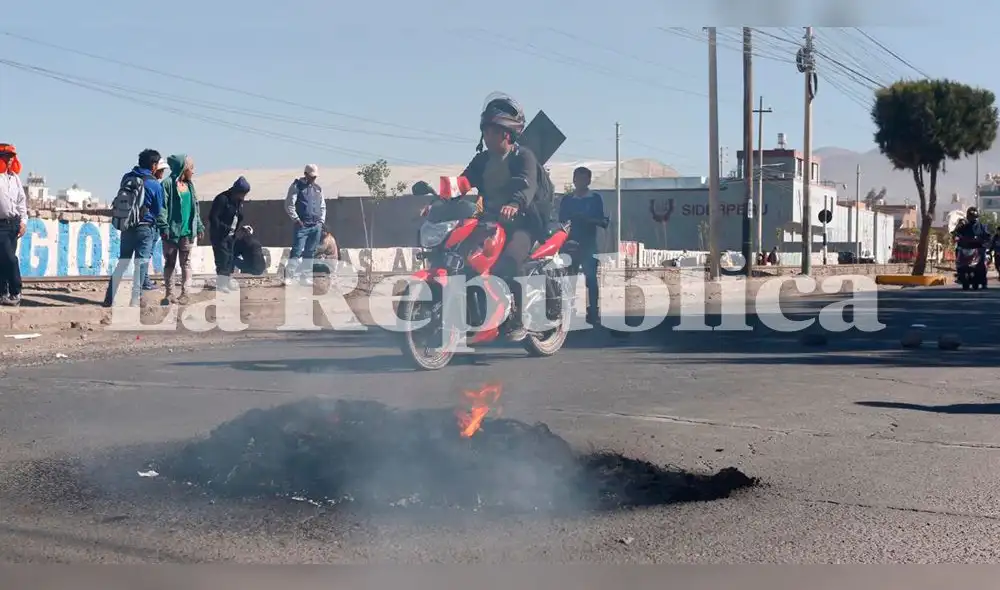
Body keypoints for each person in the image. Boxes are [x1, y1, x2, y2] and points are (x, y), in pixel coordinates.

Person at [459, 94, 550, 340]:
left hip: (523, 222)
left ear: (507, 134)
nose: (487, 137)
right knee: (465, 258)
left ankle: (518, 318)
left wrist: (514, 203)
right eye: (485, 132)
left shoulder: (523, 156)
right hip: (490, 223)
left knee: (509, 261)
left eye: (493, 132)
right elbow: (464, 181)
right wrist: (441, 199)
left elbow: (526, 185)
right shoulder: (482, 160)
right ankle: (474, 315)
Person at [103, 149, 165, 307]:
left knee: (122, 263)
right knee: (141, 265)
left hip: (126, 226)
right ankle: (134, 301)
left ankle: (109, 299)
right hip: (145, 229)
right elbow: (158, 210)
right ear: (153, 165)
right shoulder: (154, 184)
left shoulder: (127, 177)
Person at [558, 166, 607, 324]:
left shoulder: (594, 198)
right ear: (573, 180)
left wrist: (586, 219)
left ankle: (593, 311)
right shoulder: (567, 200)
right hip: (570, 243)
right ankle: (569, 310)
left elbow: (601, 219)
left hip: (588, 243)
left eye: (583, 178)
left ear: (588, 180)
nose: (579, 181)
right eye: (577, 178)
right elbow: (561, 220)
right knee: (569, 278)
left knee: (591, 279)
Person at [157, 154, 205, 305]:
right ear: (183, 169)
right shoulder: (166, 185)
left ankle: (185, 294)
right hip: (171, 233)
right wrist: (164, 227)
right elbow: (162, 208)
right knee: (170, 263)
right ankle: (170, 294)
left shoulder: (190, 186)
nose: (193, 171)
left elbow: (195, 208)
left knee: (186, 263)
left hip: (187, 233)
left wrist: (199, 226)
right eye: (191, 168)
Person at [283, 164, 326, 286]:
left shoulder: (318, 189)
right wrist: (296, 219)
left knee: (310, 252)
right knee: (297, 251)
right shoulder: (296, 186)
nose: (313, 179)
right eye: (311, 176)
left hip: (315, 225)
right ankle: (289, 275)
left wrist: (321, 221)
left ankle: (305, 276)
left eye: (315, 177)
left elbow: (323, 206)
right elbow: (289, 204)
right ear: (305, 174)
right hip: (302, 225)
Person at [208, 176, 250, 292]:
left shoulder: (238, 202)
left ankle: (226, 280)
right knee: (222, 258)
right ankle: (221, 284)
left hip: (231, 235)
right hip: (220, 235)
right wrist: (223, 229)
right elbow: (213, 217)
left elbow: (238, 216)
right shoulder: (222, 199)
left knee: (230, 258)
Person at [0, 143, 26, 306]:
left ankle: (3, 293)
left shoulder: (15, 178)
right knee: (10, 259)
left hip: (13, 225)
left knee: (3, 260)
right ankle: (16, 291)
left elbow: (21, 202)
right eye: (7, 156)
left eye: (12, 156)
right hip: (0, 225)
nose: (10, 159)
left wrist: (23, 222)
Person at [142, 158, 170, 292]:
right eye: (162, 170)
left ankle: (144, 280)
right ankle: (144, 281)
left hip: (140, 222)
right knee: (146, 254)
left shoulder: (139, 180)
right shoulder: (155, 185)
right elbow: (158, 208)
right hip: (150, 224)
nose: (163, 173)